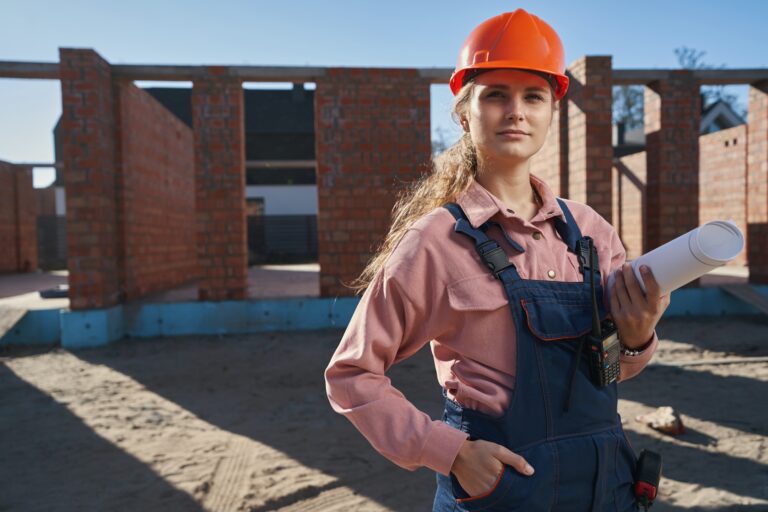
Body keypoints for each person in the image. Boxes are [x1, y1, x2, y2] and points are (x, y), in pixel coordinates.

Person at [325, 8, 670, 511]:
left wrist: (636, 339)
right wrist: (449, 451)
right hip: (501, 488)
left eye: (533, 96)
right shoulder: (436, 241)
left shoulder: (591, 232)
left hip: (606, 483)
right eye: (496, 95)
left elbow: (608, 373)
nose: (516, 111)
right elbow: (351, 374)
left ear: (552, 112)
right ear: (465, 115)